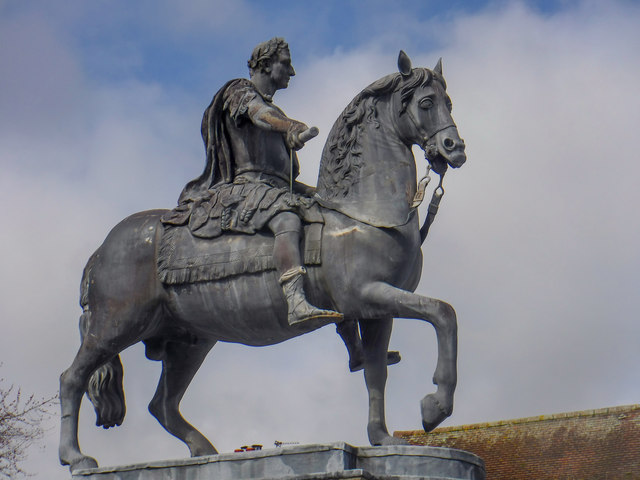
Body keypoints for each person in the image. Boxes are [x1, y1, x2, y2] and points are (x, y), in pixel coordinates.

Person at [174, 37, 342, 327]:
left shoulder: (276, 113)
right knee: (286, 218)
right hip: (244, 190)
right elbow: (259, 115)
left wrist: (325, 196)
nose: (292, 72)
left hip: (274, 189)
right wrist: (289, 126)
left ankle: (352, 339)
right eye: (286, 64)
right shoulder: (239, 92)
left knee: (329, 216)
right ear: (265, 65)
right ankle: (296, 302)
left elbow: (287, 179)